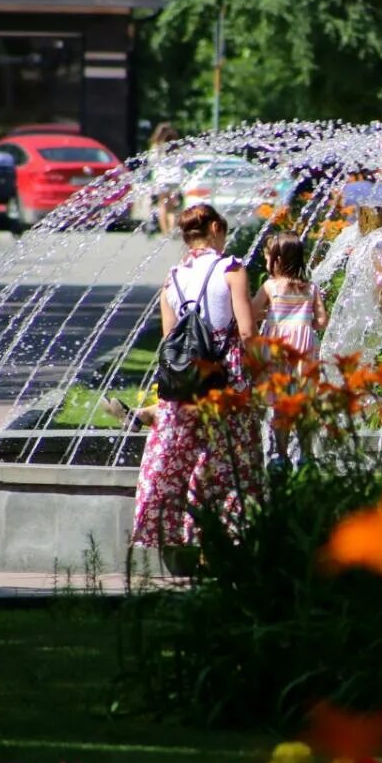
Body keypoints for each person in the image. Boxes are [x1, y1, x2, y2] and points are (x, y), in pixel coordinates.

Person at [126, 203, 260, 553]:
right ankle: (227, 537)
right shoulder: (232, 269)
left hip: (183, 380)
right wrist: (263, 368)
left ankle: (170, 531)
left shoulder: (172, 277)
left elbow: (171, 337)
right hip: (225, 376)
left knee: (176, 454)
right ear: (215, 228)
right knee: (227, 457)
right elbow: (246, 331)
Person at [252, 232, 329, 468]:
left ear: (277, 260)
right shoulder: (311, 288)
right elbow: (323, 321)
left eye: (268, 256)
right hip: (304, 348)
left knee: (280, 404)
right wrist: (307, 324)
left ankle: (281, 456)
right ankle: (306, 456)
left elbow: (252, 313)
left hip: (277, 348)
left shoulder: (270, 287)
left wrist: (271, 315)